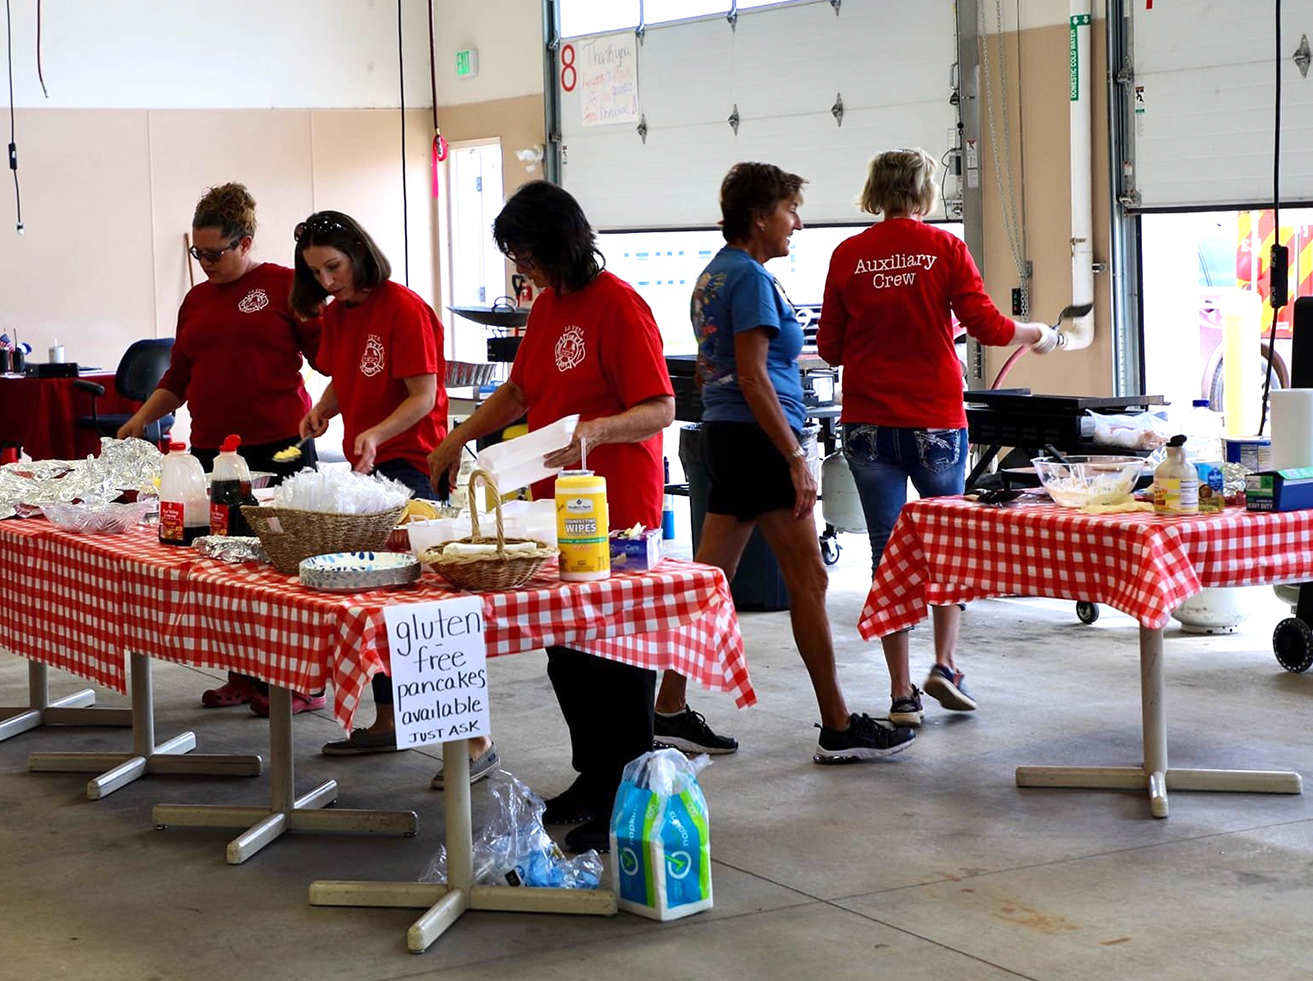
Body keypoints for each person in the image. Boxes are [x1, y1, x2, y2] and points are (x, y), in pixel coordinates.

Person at [428, 180, 675, 853]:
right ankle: (593, 777)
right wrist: (456, 436)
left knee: (614, 658)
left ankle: (627, 793)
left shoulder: (619, 306)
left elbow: (659, 407)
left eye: (527, 255)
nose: (522, 270)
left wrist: (598, 430)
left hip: (619, 509)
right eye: (515, 259)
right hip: (559, 509)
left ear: (561, 242)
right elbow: (518, 390)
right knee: (567, 653)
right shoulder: (548, 308)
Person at [655, 161, 916, 765]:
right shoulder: (747, 279)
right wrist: (795, 455)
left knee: (705, 583)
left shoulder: (713, 277)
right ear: (759, 216)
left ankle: (667, 707)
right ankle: (838, 724)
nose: (797, 223)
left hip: (729, 436)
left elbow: (709, 369)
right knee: (810, 581)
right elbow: (750, 375)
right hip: (758, 440)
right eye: (790, 210)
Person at [816, 147, 1059, 727]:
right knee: (948, 541)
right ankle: (945, 665)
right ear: (925, 191)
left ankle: (901, 695)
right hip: (934, 419)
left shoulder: (848, 254)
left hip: (869, 422)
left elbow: (829, 348)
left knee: (886, 553)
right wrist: (1040, 334)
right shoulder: (945, 248)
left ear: (875, 190)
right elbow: (989, 327)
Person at [117, 182, 326, 716]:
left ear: (245, 241)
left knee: (282, 570)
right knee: (227, 572)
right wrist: (140, 417)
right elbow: (179, 375)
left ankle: (298, 681)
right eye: (198, 253)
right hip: (213, 451)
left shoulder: (285, 286)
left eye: (215, 253)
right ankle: (243, 673)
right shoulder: (196, 300)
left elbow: (329, 357)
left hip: (278, 445)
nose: (205, 262)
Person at [288, 210, 455, 764]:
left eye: (333, 267)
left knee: (417, 602)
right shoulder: (339, 314)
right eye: (316, 273)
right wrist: (323, 410)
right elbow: (345, 376)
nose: (328, 281)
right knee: (377, 599)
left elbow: (423, 396)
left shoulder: (404, 308)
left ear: (359, 252)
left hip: (413, 465)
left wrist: (377, 433)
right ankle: (390, 718)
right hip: (371, 466)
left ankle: (464, 736)